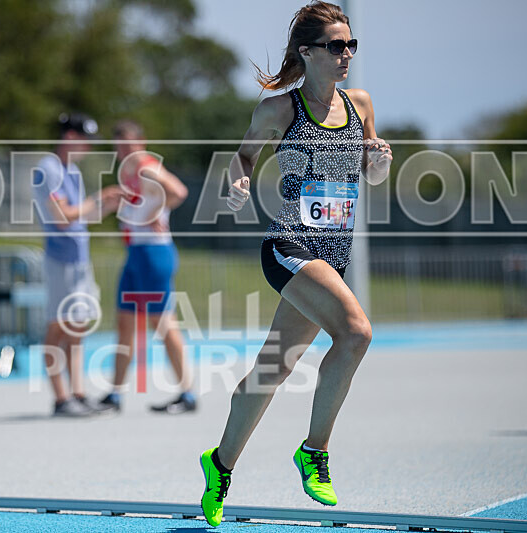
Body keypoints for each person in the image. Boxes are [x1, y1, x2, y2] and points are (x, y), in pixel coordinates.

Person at [198, 2, 392, 526]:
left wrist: (377, 164)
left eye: (351, 44)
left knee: (272, 369)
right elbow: (243, 156)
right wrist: (238, 179)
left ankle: (218, 464)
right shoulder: (280, 110)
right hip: (289, 248)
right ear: (307, 53)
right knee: (355, 334)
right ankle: (315, 452)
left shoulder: (362, 105)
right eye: (336, 46)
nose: (346, 54)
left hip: (334, 255)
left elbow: (370, 177)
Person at [96, 120, 195, 414]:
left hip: (154, 252)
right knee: (125, 323)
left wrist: (152, 212)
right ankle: (114, 394)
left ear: (140, 142)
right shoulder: (127, 172)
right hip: (136, 253)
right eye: (119, 145)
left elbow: (179, 191)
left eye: (128, 144)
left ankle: (187, 393)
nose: (123, 149)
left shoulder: (144, 166)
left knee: (164, 323)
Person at [34, 113, 123, 417]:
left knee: (77, 328)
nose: (88, 148)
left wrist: (107, 205)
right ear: (71, 138)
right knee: (57, 328)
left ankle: (78, 393)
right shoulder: (48, 168)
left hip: (78, 260)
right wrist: (98, 199)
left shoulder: (70, 170)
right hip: (61, 260)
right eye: (86, 141)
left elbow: (80, 216)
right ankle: (61, 399)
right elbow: (62, 216)